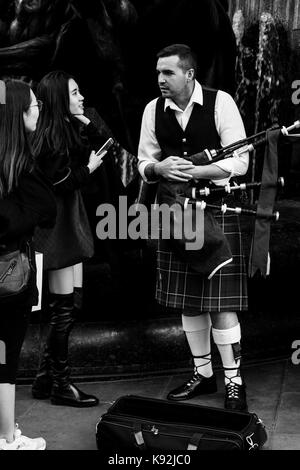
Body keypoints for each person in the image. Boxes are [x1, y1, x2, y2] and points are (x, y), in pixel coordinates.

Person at [138, 44, 249, 411]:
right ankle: (203, 375)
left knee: (222, 304)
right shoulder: (152, 110)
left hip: (218, 207)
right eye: (158, 73)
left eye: (168, 73)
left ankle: (234, 381)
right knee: (188, 303)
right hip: (174, 212)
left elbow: (241, 160)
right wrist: (159, 170)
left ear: (189, 74)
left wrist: (195, 171)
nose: (160, 80)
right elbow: (143, 161)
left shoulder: (221, 103)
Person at [30, 70, 108, 408]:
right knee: (62, 307)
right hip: (56, 229)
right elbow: (59, 183)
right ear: (61, 97)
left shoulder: (56, 129)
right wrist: (88, 169)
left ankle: (46, 377)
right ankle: (60, 384)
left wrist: (84, 121)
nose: (82, 98)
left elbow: (106, 141)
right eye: (75, 93)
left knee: (65, 304)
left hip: (62, 224)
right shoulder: (52, 137)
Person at [0, 79, 57, 450]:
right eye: (34, 105)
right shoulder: (21, 168)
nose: (39, 110)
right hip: (9, 279)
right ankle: (7, 438)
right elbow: (47, 211)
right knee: (6, 359)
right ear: (19, 113)